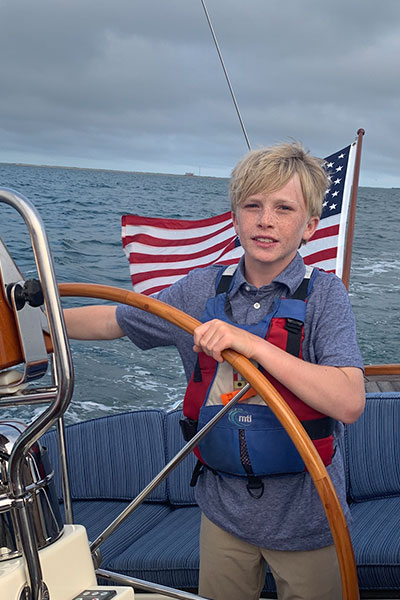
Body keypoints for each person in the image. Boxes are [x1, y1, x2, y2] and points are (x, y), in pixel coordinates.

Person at [64, 141, 365, 600]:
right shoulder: (199, 289)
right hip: (223, 513)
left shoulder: (326, 297)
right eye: (253, 205)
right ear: (235, 216)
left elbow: (348, 401)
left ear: (308, 227)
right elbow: (114, 320)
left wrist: (249, 343)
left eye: (284, 208)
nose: (266, 220)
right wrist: (41, 326)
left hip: (309, 518)